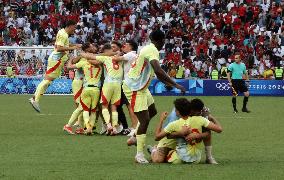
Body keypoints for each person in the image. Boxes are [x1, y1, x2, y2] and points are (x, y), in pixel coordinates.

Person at [122, 30, 186, 163]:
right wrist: (176, 84)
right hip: (134, 88)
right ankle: (139, 155)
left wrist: (170, 84)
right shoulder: (152, 50)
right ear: (162, 40)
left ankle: (135, 136)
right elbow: (158, 70)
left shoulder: (149, 48)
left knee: (152, 111)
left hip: (141, 87)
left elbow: (157, 73)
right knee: (144, 120)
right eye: (164, 41)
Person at [29, 20, 81, 112]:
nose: (75, 29)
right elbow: (59, 48)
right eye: (74, 27)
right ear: (70, 26)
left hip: (57, 60)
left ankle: (35, 98)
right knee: (47, 81)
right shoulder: (63, 34)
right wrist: (72, 48)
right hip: (56, 60)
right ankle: (34, 99)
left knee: (48, 81)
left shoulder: (62, 32)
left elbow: (62, 45)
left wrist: (74, 45)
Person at [148, 99, 219, 164]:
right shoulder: (175, 116)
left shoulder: (199, 113)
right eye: (197, 113)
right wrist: (181, 133)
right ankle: (154, 150)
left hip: (183, 142)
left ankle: (209, 157)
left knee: (206, 128)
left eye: (199, 112)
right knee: (158, 160)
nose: (199, 114)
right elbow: (168, 135)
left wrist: (198, 135)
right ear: (190, 110)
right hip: (169, 139)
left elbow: (211, 132)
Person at [82, 43, 124, 135]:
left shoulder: (105, 58)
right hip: (118, 84)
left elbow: (93, 60)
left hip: (108, 83)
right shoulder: (120, 57)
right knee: (114, 107)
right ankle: (114, 128)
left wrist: (82, 54)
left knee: (104, 105)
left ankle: (108, 125)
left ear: (105, 51)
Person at [64, 43, 102, 135]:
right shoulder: (83, 58)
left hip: (85, 85)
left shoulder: (88, 58)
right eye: (92, 46)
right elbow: (70, 65)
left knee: (84, 107)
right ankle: (76, 125)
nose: (94, 47)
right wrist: (71, 58)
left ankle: (81, 126)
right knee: (80, 106)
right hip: (79, 82)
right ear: (88, 49)